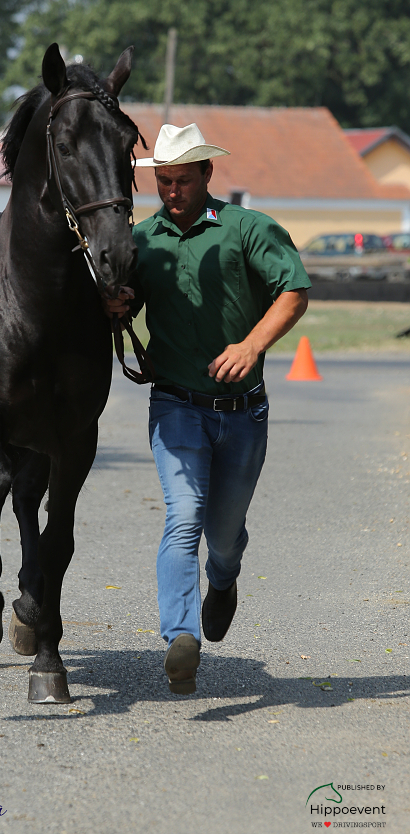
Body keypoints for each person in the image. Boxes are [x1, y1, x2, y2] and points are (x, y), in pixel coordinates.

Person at [104, 123, 311, 694]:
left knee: (222, 535)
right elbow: (124, 303)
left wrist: (251, 346)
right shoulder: (140, 240)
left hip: (244, 413)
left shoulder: (248, 229)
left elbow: (293, 290)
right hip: (175, 405)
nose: (172, 191)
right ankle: (180, 637)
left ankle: (224, 578)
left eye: (182, 180)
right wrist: (118, 306)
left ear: (207, 175)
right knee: (182, 518)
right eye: (163, 181)